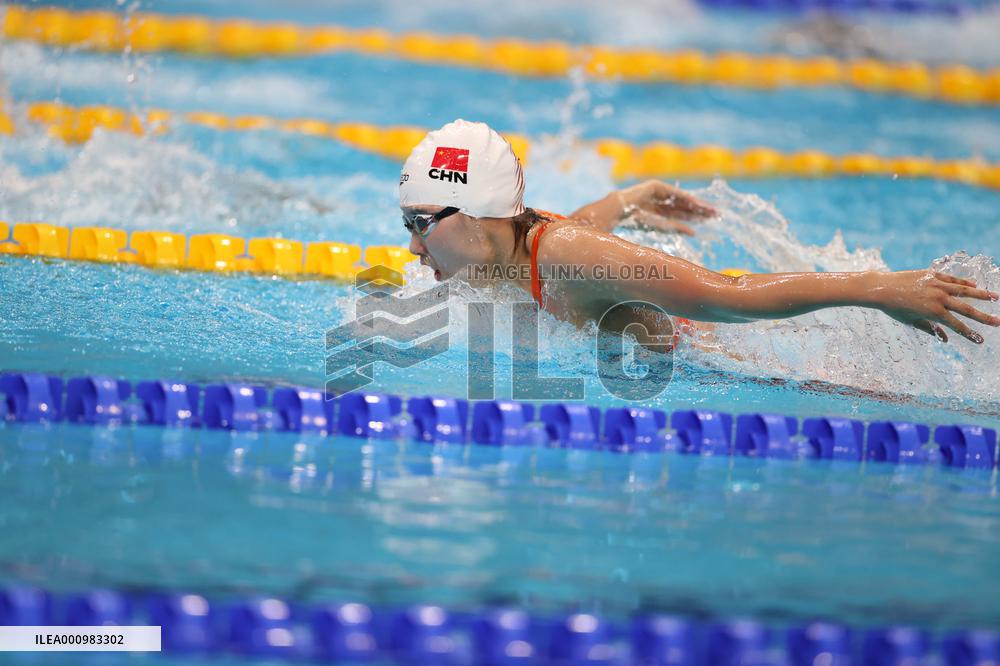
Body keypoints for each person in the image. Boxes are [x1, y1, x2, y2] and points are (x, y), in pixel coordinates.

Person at [401, 119, 999, 346]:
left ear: (477, 216)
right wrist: (624, 200)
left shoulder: (567, 254)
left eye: (421, 224)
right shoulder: (507, 251)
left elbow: (725, 293)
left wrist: (877, 288)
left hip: (728, 357)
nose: (412, 247)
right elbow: (571, 235)